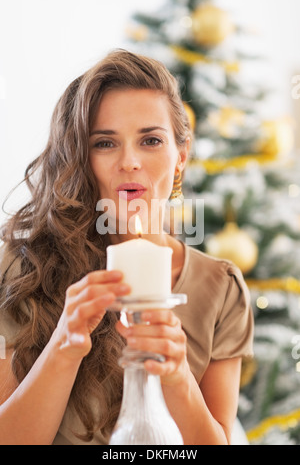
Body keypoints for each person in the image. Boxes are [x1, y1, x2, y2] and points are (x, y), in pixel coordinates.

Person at [0, 49, 253, 445]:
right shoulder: (22, 270)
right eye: (105, 143)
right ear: (81, 158)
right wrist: (63, 349)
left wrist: (178, 379)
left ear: (181, 156)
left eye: (151, 140)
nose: (130, 161)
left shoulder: (220, 288)